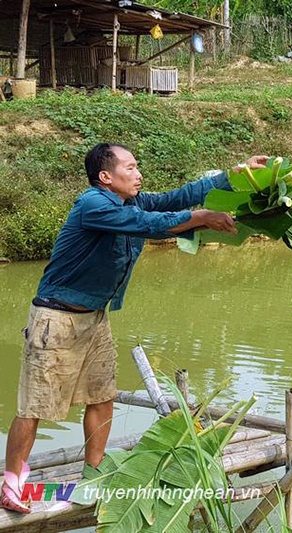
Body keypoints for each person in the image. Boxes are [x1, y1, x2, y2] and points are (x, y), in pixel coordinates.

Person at [1, 143, 267, 513]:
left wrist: (234, 175)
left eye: (138, 166)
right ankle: (12, 480)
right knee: (35, 406)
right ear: (106, 177)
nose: (138, 173)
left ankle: (93, 475)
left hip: (95, 318)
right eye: (130, 167)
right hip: (56, 319)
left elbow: (178, 197)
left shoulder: (130, 203)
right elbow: (150, 226)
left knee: (102, 395)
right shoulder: (93, 206)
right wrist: (202, 217)